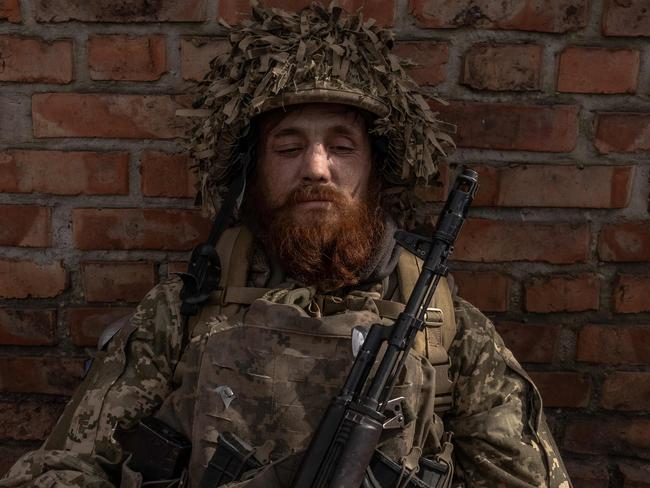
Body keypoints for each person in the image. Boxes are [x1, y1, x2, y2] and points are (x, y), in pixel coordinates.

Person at [1, 3, 572, 488]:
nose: (316, 169)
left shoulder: (446, 327)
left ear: (375, 171)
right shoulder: (182, 312)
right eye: (288, 147)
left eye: (342, 146)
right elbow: (69, 467)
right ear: (254, 173)